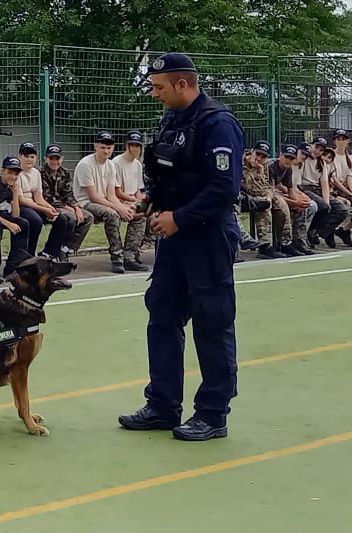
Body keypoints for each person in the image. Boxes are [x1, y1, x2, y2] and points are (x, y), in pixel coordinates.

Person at [118, 52, 245, 442]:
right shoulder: (172, 119)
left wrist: (180, 217)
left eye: (159, 87)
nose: (154, 94)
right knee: (162, 313)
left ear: (183, 84)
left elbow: (224, 188)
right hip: (174, 236)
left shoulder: (217, 124)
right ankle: (162, 405)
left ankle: (212, 414)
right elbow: (165, 172)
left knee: (212, 320)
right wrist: (150, 199)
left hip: (207, 236)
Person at [73, 132, 137, 273]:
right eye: (103, 147)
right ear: (95, 146)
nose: (106, 151)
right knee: (112, 214)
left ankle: (131, 255)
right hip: (85, 203)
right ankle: (117, 257)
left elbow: (111, 195)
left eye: (109, 148)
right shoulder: (86, 164)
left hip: (104, 201)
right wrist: (118, 209)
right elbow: (93, 197)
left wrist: (124, 207)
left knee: (136, 213)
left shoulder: (111, 165)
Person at [13, 143, 75, 261]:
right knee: (36, 221)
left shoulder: (36, 173)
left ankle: (50, 253)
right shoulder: (17, 173)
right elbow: (21, 200)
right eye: (26, 156)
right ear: (20, 156)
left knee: (60, 218)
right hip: (21, 206)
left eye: (32, 156)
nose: (29, 159)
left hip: (34, 204)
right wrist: (44, 209)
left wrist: (50, 208)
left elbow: (39, 198)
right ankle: (29, 255)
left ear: (36, 158)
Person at [36, 145, 89, 263]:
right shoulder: (40, 173)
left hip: (65, 205)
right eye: (51, 158)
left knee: (88, 217)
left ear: (62, 159)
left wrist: (76, 207)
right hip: (48, 205)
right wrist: (68, 208)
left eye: (57, 158)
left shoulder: (65, 172)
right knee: (70, 217)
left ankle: (66, 249)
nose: (54, 161)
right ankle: (55, 250)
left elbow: (68, 193)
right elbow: (47, 197)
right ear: (45, 159)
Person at [298, 139, 348, 248]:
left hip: (318, 189)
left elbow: (324, 184)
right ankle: (310, 233)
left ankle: (321, 231)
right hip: (305, 189)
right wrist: (325, 204)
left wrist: (327, 201)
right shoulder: (304, 159)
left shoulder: (321, 163)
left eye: (321, 150)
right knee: (322, 207)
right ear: (311, 145)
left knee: (341, 210)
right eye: (316, 147)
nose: (317, 151)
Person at [268, 146, 315, 256]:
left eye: (291, 158)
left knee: (302, 207)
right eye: (286, 157)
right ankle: (284, 243)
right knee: (283, 206)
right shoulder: (270, 166)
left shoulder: (288, 169)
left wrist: (299, 202)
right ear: (280, 155)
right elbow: (271, 192)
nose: (288, 160)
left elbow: (290, 189)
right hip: (266, 193)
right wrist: (294, 202)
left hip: (276, 192)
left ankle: (297, 241)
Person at [114, 131, 152, 268]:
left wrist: (141, 200)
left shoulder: (137, 164)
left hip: (132, 200)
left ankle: (137, 249)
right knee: (139, 217)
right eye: (132, 145)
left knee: (153, 214)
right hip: (119, 201)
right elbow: (117, 192)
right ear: (127, 146)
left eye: (138, 145)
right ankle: (129, 256)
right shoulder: (116, 163)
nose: (135, 148)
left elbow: (138, 190)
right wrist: (133, 200)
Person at [238, 146, 284, 255]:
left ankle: (281, 243)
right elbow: (250, 188)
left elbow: (268, 186)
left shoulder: (264, 165)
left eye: (263, 157)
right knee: (262, 204)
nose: (259, 158)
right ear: (252, 152)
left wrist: (268, 196)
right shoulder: (240, 164)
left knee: (275, 204)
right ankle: (264, 246)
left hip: (255, 197)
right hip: (241, 198)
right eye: (257, 154)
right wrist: (259, 171)